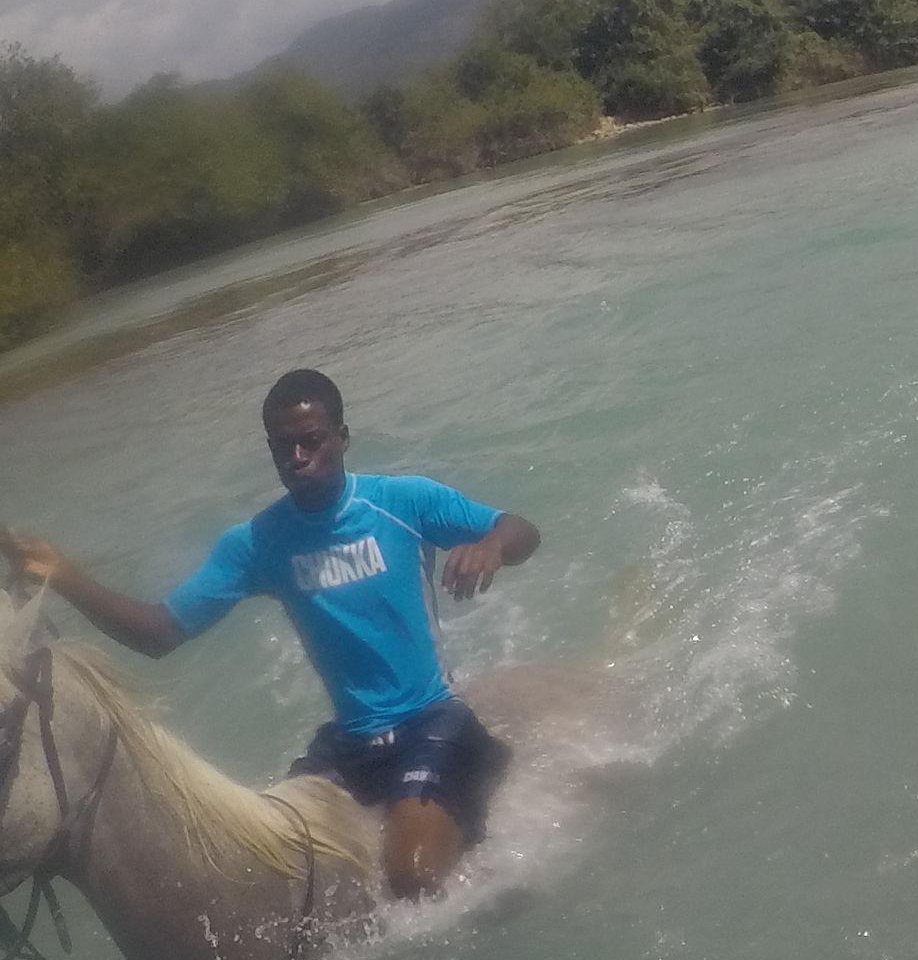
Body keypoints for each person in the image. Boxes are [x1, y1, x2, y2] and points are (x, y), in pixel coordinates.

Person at [2, 367, 540, 902]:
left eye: (312, 441)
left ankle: (497, 888)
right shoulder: (258, 542)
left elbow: (520, 528)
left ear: (342, 438)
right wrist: (66, 577)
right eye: (284, 447)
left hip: (430, 719)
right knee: (267, 870)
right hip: (349, 744)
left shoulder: (403, 502)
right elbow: (159, 632)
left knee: (414, 878)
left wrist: (491, 547)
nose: (298, 457)